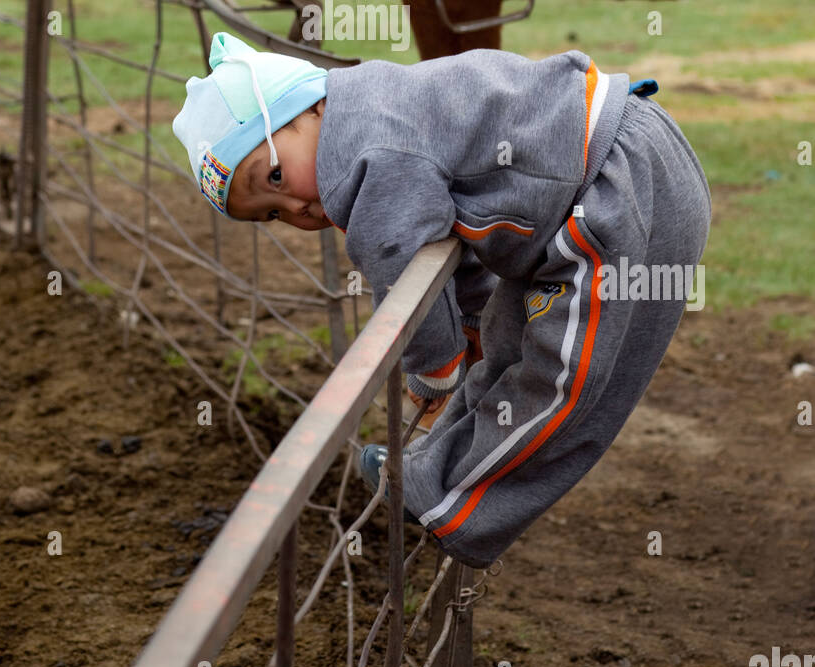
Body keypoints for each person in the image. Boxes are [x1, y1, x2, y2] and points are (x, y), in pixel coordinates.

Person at [172, 30, 711, 569]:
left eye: (273, 176)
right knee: (506, 346)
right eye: (271, 214)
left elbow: (397, 256)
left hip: (619, 188)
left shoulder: (366, 150)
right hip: (594, 186)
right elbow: (461, 223)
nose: (294, 208)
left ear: (311, 111)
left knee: (562, 376)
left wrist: (433, 366)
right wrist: (471, 322)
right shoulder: (382, 109)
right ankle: (434, 464)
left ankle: (447, 499)